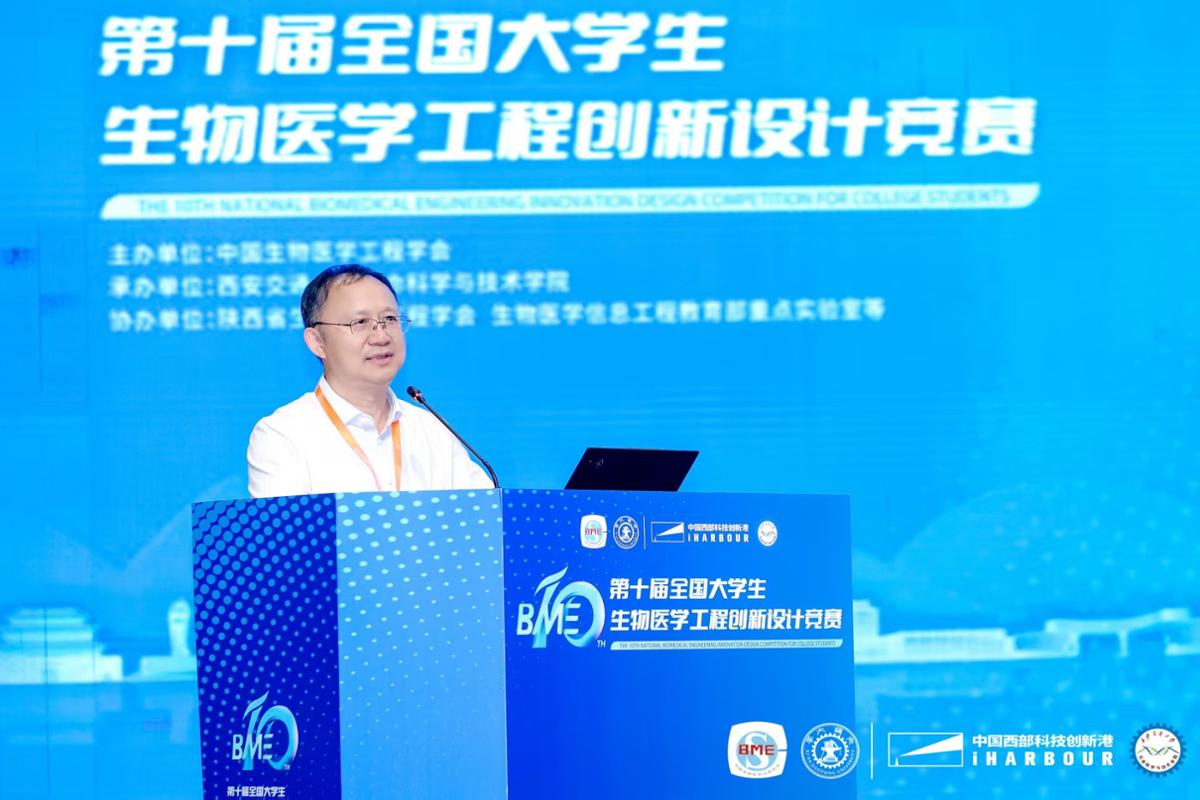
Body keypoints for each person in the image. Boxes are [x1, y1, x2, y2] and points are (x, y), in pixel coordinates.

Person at [247, 264, 492, 497]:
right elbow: (290, 528)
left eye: (390, 319)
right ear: (317, 342)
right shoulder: (282, 435)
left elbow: (487, 517)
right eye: (360, 322)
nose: (381, 336)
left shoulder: (432, 430)